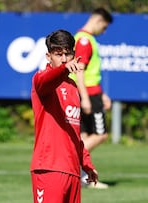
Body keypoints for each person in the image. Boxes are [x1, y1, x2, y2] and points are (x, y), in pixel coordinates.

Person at [30, 29, 98, 203]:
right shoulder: (42, 80)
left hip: (73, 171)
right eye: (58, 54)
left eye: (67, 54)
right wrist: (63, 70)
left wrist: (86, 164)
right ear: (48, 56)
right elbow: (46, 81)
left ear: (74, 55)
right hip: (49, 169)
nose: (64, 58)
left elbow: (74, 133)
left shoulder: (73, 87)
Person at [71, 7, 113, 189]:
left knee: (85, 136)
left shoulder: (82, 38)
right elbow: (79, 70)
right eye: (104, 28)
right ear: (99, 21)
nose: (103, 32)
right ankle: (69, 158)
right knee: (100, 135)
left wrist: (102, 94)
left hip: (89, 91)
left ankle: (83, 178)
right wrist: (86, 98)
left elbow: (89, 73)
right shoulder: (85, 40)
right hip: (87, 93)